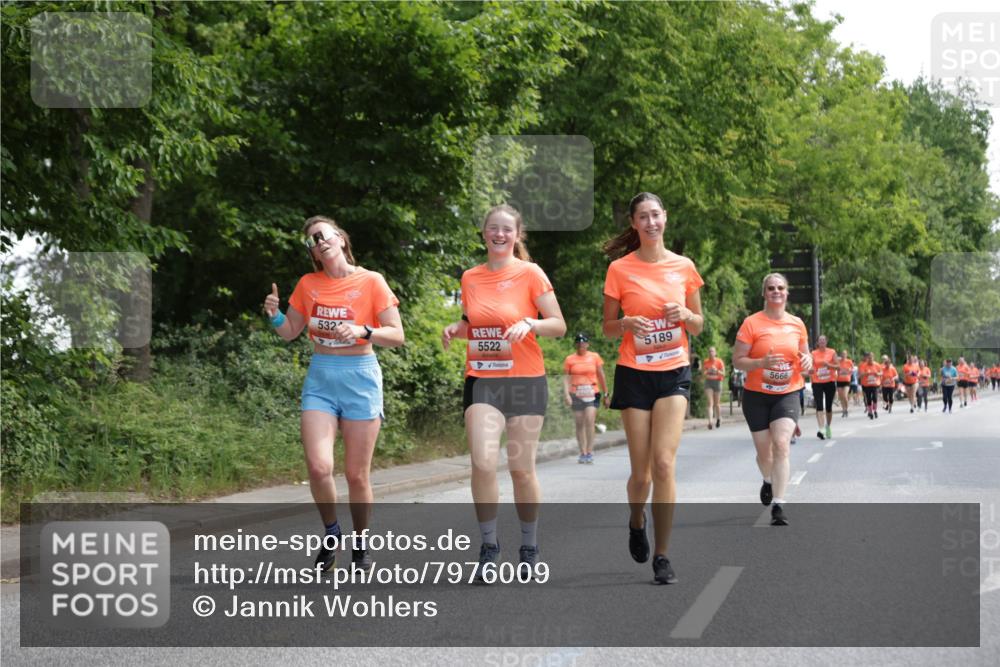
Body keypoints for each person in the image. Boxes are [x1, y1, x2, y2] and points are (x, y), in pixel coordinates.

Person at [264, 215, 405, 572]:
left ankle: (361, 544)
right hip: (322, 379)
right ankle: (331, 534)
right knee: (318, 467)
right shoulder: (308, 284)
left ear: (340, 238)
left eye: (323, 234)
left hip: (360, 378)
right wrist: (275, 316)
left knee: (357, 475)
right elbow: (291, 331)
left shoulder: (371, 281)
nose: (318, 241)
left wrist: (362, 330)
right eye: (311, 240)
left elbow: (396, 334)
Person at [441, 204, 566, 581]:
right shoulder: (470, 277)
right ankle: (489, 546)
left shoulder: (530, 273)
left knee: (520, 469)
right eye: (492, 228)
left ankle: (528, 545)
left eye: (506, 229)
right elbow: (475, 323)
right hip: (482, 379)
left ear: (517, 235)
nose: (499, 234)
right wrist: (455, 328)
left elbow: (558, 325)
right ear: (484, 233)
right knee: (481, 462)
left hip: (526, 380)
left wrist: (530, 322)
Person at [602, 192, 704, 584]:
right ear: (633, 223)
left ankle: (663, 555)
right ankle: (635, 519)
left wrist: (685, 314)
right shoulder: (619, 270)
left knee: (664, 463)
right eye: (642, 217)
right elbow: (608, 328)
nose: (650, 222)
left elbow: (698, 324)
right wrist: (626, 324)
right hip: (634, 372)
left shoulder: (684, 267)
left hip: (673, 371)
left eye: (656, 215)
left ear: (665, 218)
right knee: (641, 474)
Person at [732, 272, 812, 527]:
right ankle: (768, 479)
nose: (776, 291)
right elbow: (737, 360)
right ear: (764, 293)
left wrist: (808, 362)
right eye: (771, 288)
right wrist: (761, 363)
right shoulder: (751, 324)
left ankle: (779, 504)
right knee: (764, 453)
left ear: (787, 293)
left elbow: (805, 358)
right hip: (756, 396)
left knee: (781, 445)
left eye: (780, 288)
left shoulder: (797, 324)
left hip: (787, 393)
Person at [562, 333, 609, 464]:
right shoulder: (570, 359)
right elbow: (566, 378)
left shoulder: (594, 357)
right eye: (578, 343)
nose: (581, 345)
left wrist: (606, 394)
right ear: (575, 344)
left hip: (592, 392)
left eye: (583, 343)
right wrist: (566, 394)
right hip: (576, 393)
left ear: (587, 344)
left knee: (589, 419)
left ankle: (589, 451)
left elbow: (601, 375)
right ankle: (582, 452)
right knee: (579, 422)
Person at [810, 335, 838, 439]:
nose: (821, 342)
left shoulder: (832, 352)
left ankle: (827, 427)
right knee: (819, 405)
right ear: (817, 342)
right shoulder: (813, 353)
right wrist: (810, 370)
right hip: (817, 382)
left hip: (829, 381)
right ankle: (821, 429)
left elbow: (838, 366)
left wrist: (829, 365)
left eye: (823, 340)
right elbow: (810, 366)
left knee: (829, 407)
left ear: (826, 342)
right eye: (820, 340)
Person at [702, 347, 725, 430]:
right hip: (708, 383)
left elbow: (723, 374)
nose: (711, 353)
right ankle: (710, 422)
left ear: (715, 353)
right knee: (710, 403)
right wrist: (708, 371)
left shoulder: (719, 361)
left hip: (717, 382)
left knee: (717, 404)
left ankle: (718, 418)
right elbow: (703, 373)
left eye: (712, 351)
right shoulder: (706, 362)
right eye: (709, 351)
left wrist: (717, 370)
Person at [858, 351, 882, 419]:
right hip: (867, 384)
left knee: (874, 398)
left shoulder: (877, 365)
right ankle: (870, 412)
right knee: (868, 398)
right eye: (869, 358)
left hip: (875, 384)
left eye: (871, 358)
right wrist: (866, 373)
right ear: (867, 358)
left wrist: (878, 374)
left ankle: (875, 410)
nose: (870, 359)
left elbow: (881, 372)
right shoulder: (863, 365)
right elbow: (860, 374)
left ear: (873, 358)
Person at [836, 350, 854, 418]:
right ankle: (843, 410)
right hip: (839, 380)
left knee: (845, 396)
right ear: (841, 355)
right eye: (842, 354)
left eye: (844, 354)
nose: (843, 355)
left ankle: (846, 409)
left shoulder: (849, 361)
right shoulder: (838, 362)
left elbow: (853, 370)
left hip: (847, 380)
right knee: (841, 397)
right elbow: (835, 368)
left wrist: (849, 371)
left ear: (846, 355)